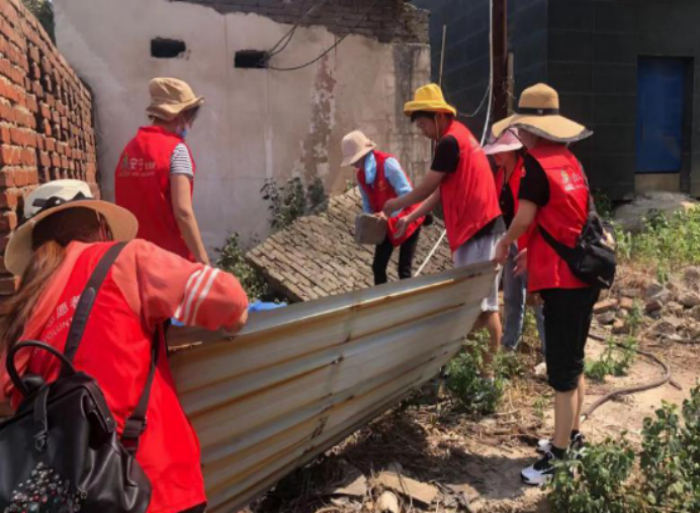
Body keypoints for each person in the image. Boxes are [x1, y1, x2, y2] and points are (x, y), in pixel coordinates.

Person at [0, 180, 249, 513]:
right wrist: (236, 319)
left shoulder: (23, 310)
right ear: (101, 226)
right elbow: (227, 298)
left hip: (72, 498)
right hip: (152, 485)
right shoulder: (127, 259)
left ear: (34, 249)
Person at [492, 83, 595, 485]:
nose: (519, 133)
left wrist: (507, 242)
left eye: (521, 127)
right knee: (574, 361)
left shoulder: (534, 165)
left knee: (561, 374)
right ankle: (573, 436)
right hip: (584, 272)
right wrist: (531, 251)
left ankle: (559, 456)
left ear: (531, 128)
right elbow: (570, 219)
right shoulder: (570, 161)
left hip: (562, 281)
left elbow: (525, 217)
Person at [386, 83, 505, 378]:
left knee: (484, 306)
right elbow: (442, 191)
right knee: (475, 304)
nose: (423, 131)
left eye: (424, 124)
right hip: (476, 230)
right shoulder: (458, 138)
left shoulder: (450, 142)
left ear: (439, 116)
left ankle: (487, 376)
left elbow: (426, 187)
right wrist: (410, 217)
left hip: (479, 229)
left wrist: (396, 204)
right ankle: (478, 372)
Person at [115, 77, 209, 264]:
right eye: (190, 117)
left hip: (135, 260)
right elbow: (183, 213)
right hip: (171, 262)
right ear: (179, 115)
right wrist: (204, 262)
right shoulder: (177, 150)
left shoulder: (129, 150)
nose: (190, 124)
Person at [483, 130, 546, 353]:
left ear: (512, 151)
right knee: (511, 296)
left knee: (537, 299)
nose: (495, 156)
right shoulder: (500, 174)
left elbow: (529, 215)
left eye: (499, 151)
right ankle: (510, 343)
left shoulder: (525, 172)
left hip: (528, 243)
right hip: (509, 240)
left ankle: (548, 351)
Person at [342, 130, 425, 285]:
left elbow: (408, 194)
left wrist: (389, 214)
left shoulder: (387, 164)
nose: (352, 164)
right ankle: (384, 298)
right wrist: (368, 221)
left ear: (362, 155)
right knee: (378, 267)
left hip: (409, 215)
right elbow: (367, 203)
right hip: (386, 221)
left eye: (353, 159)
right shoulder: (360, 175)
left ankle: (409, 299)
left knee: (404, 271)